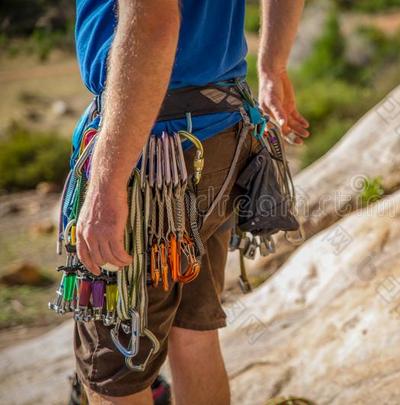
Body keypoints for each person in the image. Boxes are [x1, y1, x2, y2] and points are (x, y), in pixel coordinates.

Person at [71, 1, 309, 404]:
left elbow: (153, 22)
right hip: (221, 135)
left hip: (148, 155)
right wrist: (273, 65)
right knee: (193, 334)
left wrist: (107, 186)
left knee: (114, 372)